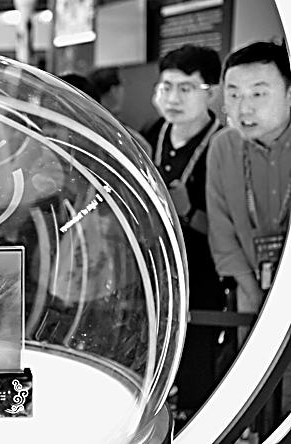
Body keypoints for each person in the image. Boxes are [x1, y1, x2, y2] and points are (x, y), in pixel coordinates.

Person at [143, 44, 230, 425]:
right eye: (166, 87)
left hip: (203, 279)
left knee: (196, 368)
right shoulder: (153, 133)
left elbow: (231, 230)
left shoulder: (224, 145)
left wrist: (188, 212)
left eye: (186, 88)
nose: (173, 98)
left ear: (211, 92)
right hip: (153, 275)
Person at [207, 41, 291, 432]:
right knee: (256, 397)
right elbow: (222, 231)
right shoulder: (223, 146)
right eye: (234, 94)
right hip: (249, 292)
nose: (244, 108)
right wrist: (252, 291)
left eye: (259, 94)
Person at [88, 67, 153, 157]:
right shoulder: (126, 135)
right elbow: (145, 152)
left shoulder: (86, 123)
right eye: (121, 88)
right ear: (114, 90)